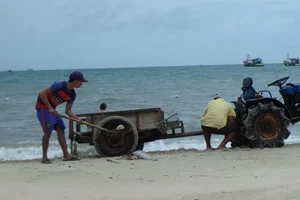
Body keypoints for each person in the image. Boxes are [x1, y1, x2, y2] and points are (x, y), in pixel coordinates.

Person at [35, 71, 88, 164]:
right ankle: (44, 157)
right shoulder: (59, 85)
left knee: (61, 128)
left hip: (53, 110)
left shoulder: (72, 94)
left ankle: (66, 155)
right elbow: (42, 94)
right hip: (42, 108)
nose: (81, 84)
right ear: (75, 81)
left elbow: (68, 111)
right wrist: (50, 108)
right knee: (48, 132)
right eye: (81, 82)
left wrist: (76, 119)